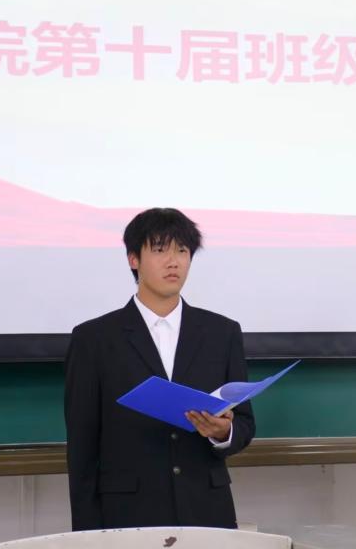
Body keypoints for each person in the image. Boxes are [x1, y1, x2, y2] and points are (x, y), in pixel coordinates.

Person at [64, 207, 255, 531]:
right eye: (160, 249)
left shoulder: (222, 333)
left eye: (182, 251)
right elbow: (82, 448)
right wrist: (88, 534)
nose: (173, 261)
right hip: (127, 514)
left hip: (206, 512)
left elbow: (245, 424)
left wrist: (223, 432)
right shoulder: (94, 339)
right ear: (133, 259)